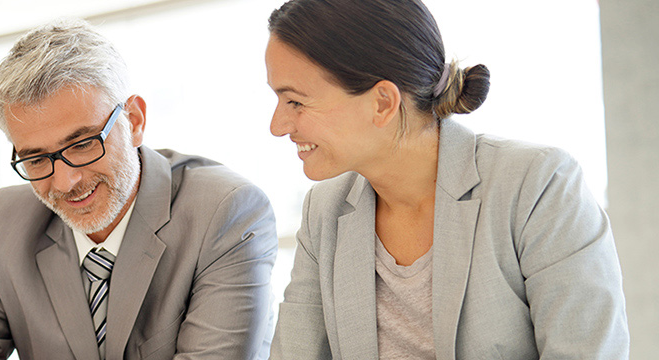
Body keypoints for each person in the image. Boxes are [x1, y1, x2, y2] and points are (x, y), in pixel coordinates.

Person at [263, 0, 629, 359]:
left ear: (383, 103)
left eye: (295, 102)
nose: (277, 127)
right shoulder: (324, 212)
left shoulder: (538, 186)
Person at [0, 18, 277, 360]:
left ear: (134, 121)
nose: (65, 182)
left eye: (83, 144)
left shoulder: (225, 211)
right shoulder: (8, 219)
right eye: (38, 159)